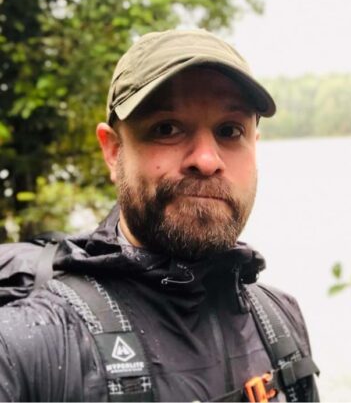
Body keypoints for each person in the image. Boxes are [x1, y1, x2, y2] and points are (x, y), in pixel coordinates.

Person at [0, 29, 319, 402]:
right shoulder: (36, 342)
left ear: (255, 146)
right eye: (167, 128)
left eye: (230, 131)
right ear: (113, 151)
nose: (206, 160)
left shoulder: (280, 322)